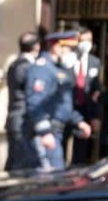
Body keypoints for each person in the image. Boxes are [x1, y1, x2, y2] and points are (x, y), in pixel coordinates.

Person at [24, 30, 91, 171]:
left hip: (57, 132)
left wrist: (78, 121)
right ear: (56, 46)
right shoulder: (42, 68)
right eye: (70, 48)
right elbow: (35, 102)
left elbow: (61, 103)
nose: (73, 53)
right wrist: (44, 132)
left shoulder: (57, 69)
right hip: (47, 133)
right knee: (48, 181)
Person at [4, 31, 40, 172]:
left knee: (14, 162)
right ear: (36, 47)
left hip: (15, 120)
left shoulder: (14, 64)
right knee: (20, 167)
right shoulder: (26, 67)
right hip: (22, 122)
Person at [69, 27, 103, 166]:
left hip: (85, 110)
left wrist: (95, 116)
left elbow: (96, 90)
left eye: (89, 40)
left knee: (81, 151)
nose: (86, 43)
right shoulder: (67, 59)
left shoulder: (95, 62)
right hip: (67, 108)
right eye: (83, 40)